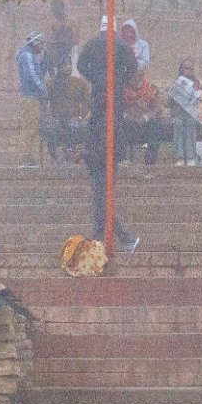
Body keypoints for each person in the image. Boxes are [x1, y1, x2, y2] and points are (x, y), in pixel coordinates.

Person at [78, 20, 142, 251]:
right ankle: (121, 239)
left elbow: (81, 65)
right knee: (101, 200)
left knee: (101, 200)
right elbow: (133, 67)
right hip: (104, 156)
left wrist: (96, 78)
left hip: (100, 157)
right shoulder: (111, 107)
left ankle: (116, 239)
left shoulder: (99, 106)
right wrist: (119, 80)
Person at [15, 31, 49, 167]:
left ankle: (27, 157)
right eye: (41, 44)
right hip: (31, 98)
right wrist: (43, 91)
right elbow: (32, 76)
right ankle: (24, 159)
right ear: (35, 42)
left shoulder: (29, 56)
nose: (42, 47)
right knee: (29, 129)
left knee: (31, 129)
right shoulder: (27, 55)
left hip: (32, 97)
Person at [169, 60, 202, 166]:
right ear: (181, 69)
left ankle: (191, 157)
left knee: (190, 123)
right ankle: (180, 157)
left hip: (192, 115)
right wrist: (171, 91)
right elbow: (169, 102)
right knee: (178, 123)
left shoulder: (197, 84)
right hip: (178, 114)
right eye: (186, 68)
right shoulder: (175, 82)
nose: (188, 71)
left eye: (190, 69)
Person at [41, 0, 76, 78]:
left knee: (66, 74)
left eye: (58, 11)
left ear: (63, 9)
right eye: (54, 11)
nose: (56, 13)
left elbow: (75, 39)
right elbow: (47, 38)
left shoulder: (71, 21)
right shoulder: (50, 20)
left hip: (66, 51)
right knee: (49, 73)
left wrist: (68, 46)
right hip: (53, 51)